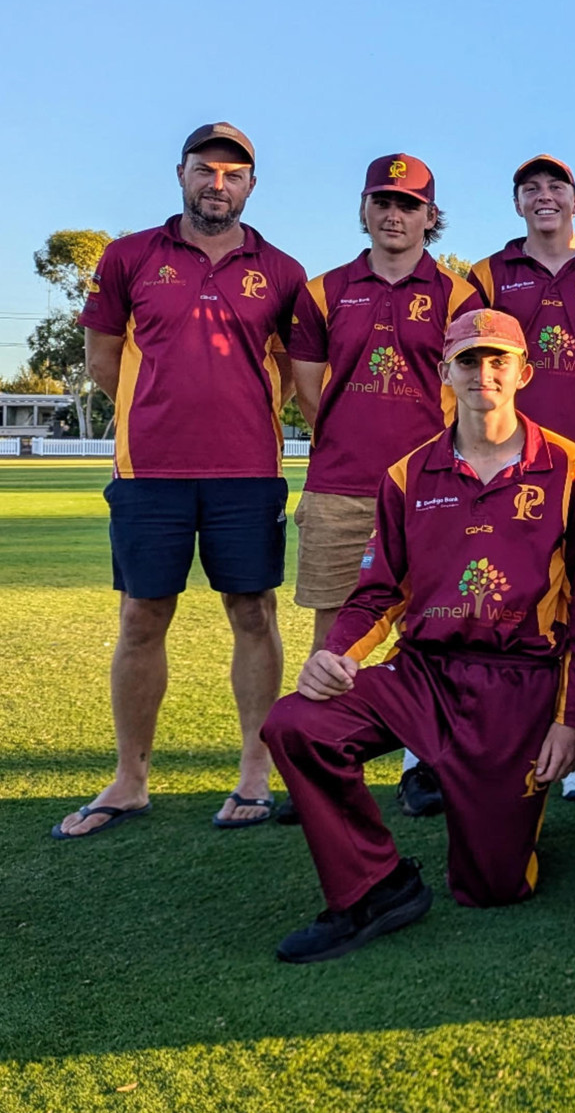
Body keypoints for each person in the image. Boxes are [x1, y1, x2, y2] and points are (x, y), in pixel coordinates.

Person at [261, 309, 575, 962]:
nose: (485, 373)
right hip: (421, 674)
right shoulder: (407, 474)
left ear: (524, 372)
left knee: (494, 886)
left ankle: (492, 799)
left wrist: (574, 722)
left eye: (499, 359)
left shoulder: (572, 467)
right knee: (296, 724)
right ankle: (375, 884)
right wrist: (336, 656)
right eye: (470, 360)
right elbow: (378, 591)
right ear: (445, 371)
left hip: (517, 686)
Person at [57, 123, 305, 840]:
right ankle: (130, 778)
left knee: (253, 612)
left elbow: (291, 372)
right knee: (141, 618)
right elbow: (104, 360)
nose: (217, 184)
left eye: (232, 175)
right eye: (205, 171)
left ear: (251, 185)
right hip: (149, 474)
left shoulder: (283, 270)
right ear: (181, 174)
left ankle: (255, 771)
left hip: (248, 471)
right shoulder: (129, 256)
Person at [288, 154, 481, 820]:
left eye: (409, 204)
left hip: (435, 485)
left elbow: (470, 390)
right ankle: (320, 759)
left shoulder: (459, 296)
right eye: (383, 202)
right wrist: (352, 440)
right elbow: (309, 389)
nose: (394, 215)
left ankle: (423, 762)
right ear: (364, 209)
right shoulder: (323, 291)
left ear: (431, 215)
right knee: (334, 627)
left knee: (436, 627)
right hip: (341, 484)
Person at [461, 154, 575, 801]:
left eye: (555, 186)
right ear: (516, 203)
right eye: (530, 188)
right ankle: (507, 736)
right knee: (513, 603)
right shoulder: (488, 274)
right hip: (504, 469)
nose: (544, 197)